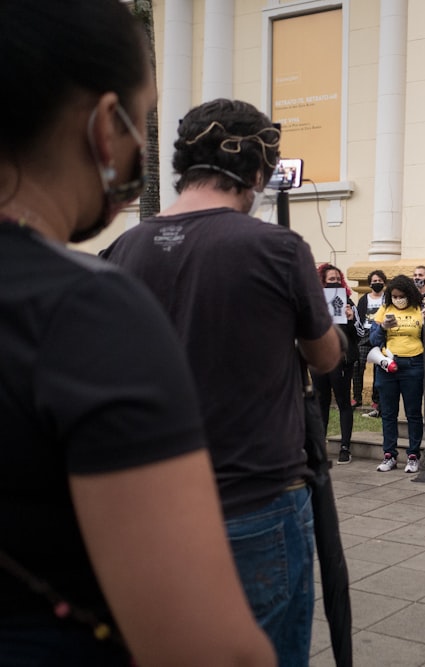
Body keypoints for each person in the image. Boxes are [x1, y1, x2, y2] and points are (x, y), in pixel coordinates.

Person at [0, 3, 274, 665]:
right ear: (104, 125)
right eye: (143, 121)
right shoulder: (84, 311)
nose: (143, 149)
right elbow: (213, 651)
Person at [102, 98, 343, 666]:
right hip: (256, 501)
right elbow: (326, 356)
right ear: (259, 171)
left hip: (150, 507)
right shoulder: (275, 248)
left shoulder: (123, 248)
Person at [370, 275, 425, 473]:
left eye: (401, 296)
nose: (398, 299)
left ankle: (413, 455)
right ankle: (389, 455)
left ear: (409, 294)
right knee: (388, 412)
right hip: (387, 365)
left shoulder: (419, 309)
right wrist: (383, 328)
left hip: (413, 364)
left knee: (413, 412)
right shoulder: (385, 309)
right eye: (394, 296)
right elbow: (373, 339)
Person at [313, 264, 359, 465]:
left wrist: (349, 319)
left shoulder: (348, 303)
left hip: (341, 360)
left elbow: (359, 334)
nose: (335, 283)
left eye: (337, 279)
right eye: (330, 280)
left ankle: (344, 447)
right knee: (321, 402)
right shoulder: (314, 304)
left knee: (343, 402)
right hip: (318, 360)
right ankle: (320, 446)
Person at [354, 269, 387, 416]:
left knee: (378, 368)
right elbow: (358, 318)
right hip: (365, 335)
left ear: (384, 283)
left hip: (379, 334)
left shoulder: (387, 298)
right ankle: (356, 397)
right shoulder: (364, 299)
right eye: (374, 281)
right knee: (358, 365)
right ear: (370, 283)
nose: (377, 283)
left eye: (380, 281)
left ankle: (376, 400)